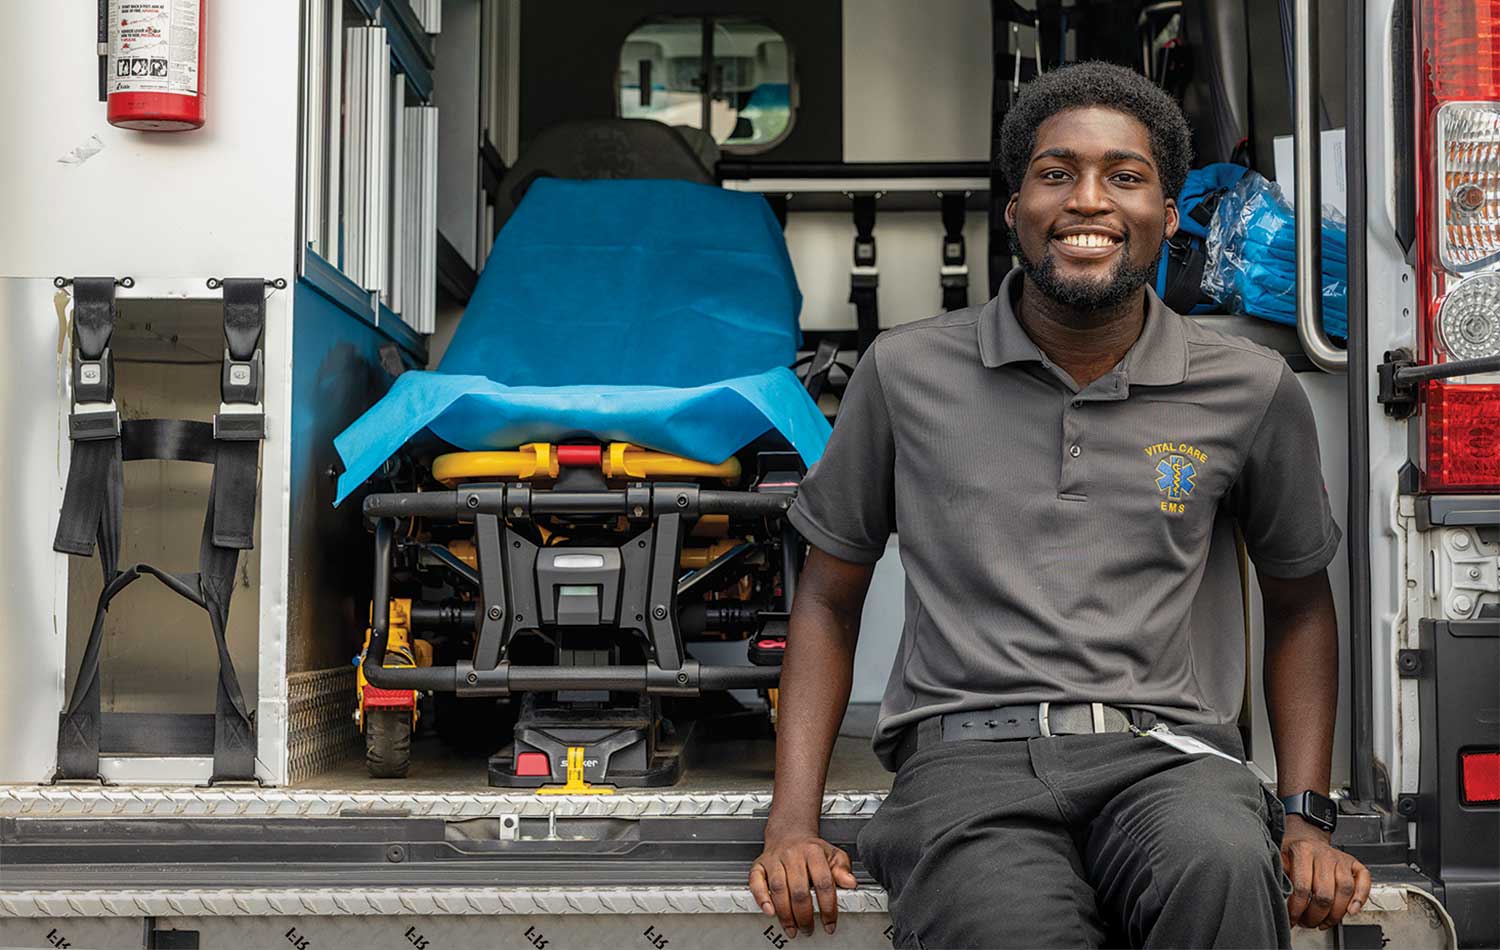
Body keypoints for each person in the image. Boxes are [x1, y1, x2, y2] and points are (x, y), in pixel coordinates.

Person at [747, 61, 1371, 949]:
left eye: (1125, 176)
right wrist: (792, 824)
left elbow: (1301, 602)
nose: (1089, 201)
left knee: (1222, 864)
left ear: (1166, 210)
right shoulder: (906, 370)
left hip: (1172, 759)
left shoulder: (1250, 387)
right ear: (1014, 208)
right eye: (1055, 173)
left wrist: (1306, 816)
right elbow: (826, 598)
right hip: (964, 763)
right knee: (1005, 928)